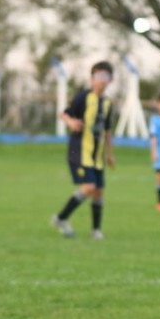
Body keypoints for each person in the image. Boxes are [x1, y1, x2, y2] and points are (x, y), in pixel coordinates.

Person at [50, 61, 115, 240]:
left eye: (106, 77)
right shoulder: (83, 97)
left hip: (97, 156)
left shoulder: (108, 103)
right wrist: (72, 123)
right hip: (79, 151)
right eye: (98, 77)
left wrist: (109, 153)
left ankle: (95, 230)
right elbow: (64, 113)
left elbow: (107, 130)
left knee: (99, 192)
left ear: (110, 80)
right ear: (92, 79)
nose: (102, 81)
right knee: (89, 187)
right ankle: (61, 218)